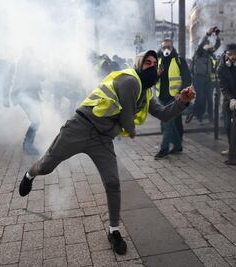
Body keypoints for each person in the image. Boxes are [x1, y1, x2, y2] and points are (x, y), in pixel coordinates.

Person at [18, 50, 195, 254]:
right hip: (80, 127)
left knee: (112, 182)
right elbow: (127, 119)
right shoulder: (129, 80)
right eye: (147, 62)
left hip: (102, 139)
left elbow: (164, 114)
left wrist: (182, 101)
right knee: (46, 166)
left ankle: (114, 231)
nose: (152, 66)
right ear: (139, 65)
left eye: (155, 64)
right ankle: (29, 175)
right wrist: (131, 130)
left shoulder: (146, 93)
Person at [154, 39, 191, 159]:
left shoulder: (179, 60)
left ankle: (164, 149)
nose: (166, 50)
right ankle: (178, 145)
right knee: (171, 123)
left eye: (168, 47)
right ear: (160, 47)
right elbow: (153, 79)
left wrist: (180, 93)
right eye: (164, 47)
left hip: (174, 97)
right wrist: (156, 75)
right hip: (161, 97)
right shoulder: (158, 60)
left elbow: (187, 79)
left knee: (167, 123)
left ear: (172, 47)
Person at [8, 47, 45, 155]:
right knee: (36, 120)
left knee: (36, 121)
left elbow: (42, 77)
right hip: (23, 95)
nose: (28, 56)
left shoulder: (35, 64)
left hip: (32, 96)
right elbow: (18, 79)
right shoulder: (22, 64)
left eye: (30, 54)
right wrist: (14, 95)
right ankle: (28, 145)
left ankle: (28, 144)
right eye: (26, 53)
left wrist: (39, 67)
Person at [187, 26, 221, 124]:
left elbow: (217, 45)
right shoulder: (198, 53)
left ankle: (210, 117)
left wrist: (217, 36)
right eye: (206, 44)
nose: (208, 45)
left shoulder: (209, 53)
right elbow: (201, 44)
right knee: (200, 98)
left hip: (208, 78)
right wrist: (208, 33)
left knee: (210, 99)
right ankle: (198, 115)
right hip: (198, 79)